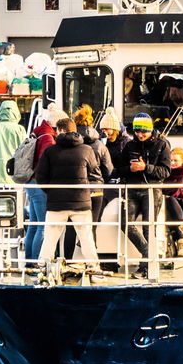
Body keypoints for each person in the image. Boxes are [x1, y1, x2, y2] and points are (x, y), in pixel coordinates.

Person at [33, 117, 104, 280]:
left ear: (61, 131)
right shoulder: (87, 150)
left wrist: (51, 192)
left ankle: (43, 269)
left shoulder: (50, 150)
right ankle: (94, 270)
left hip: (56, 202)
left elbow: (40, 175)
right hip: (81, 202)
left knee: (50, 238)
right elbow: (95, 174)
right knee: (86, 237)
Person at [119, 111, 171, 278]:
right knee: (125, 223)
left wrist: (145, 168)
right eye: (137, 131)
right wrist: (130, 169)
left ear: (150, 130)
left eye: (144, 131)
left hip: (153, 190)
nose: (140, 135)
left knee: (149, 229)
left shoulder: (162, 144)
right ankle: (149, 256)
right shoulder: (129, 146)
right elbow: (119, 169)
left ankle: (146, 267)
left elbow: (166, 172)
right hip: (132, 189)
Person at [63, 105, 113, 258]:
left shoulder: (70, 143)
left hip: (75, 190)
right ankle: (91, 263)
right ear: (92, 124)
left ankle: (67, 260)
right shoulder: (100, 145)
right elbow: (108, 170)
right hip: (96, 190)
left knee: (71, 227)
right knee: (91, 228)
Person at [24, 102, 64, 266]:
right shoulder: (48, 137)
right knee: (42, 225)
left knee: (34, 225)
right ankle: (35, 263)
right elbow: (45, 162)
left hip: (31, 183)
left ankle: (29, 260)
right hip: (39, 184)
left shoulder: (39, 131)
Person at [99, 106, 132, 184]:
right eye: (102, 130)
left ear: (114, 130)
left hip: (121, 179)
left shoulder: (125, 142)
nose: (104, 132)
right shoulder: (101, 141)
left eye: (107, 129)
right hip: (106, 179)